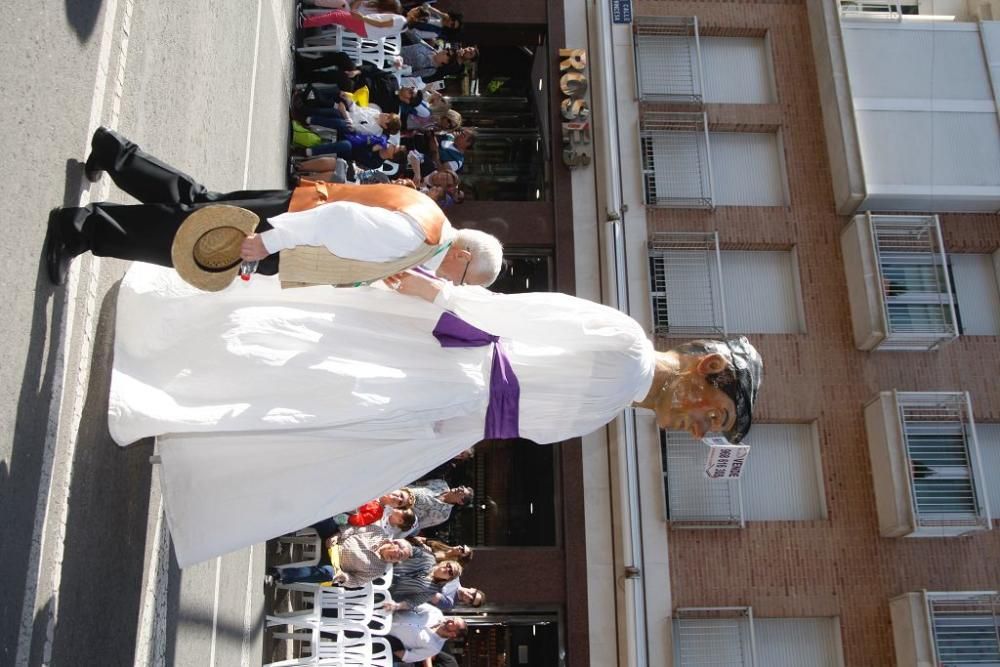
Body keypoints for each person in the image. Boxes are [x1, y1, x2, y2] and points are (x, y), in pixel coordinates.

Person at [107, 260, 762, 566]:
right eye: (714, 415)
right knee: (311, 381)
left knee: (312, 405)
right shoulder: (623, 352)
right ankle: (173, 371)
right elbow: (517, 321)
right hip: (440, 379)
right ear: (705, 369)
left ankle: (177, 399)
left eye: (712, 431)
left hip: (446, 409)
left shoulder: (620, 392)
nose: (699, 430)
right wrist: (436, 296)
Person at [45, 127, 502, 288]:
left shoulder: (431, 224)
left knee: (200, 207)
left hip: (297, 211)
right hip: (293, 226)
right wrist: (268, 242)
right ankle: (84, 229)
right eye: (464, 279)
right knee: (187, 238)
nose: (455, 284)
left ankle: (115, 154)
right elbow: (339, 221)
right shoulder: (418, 238)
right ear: (461, 257)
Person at [269, 526, 412, 587]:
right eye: (399, 554)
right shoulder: (378, 532)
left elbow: (356, 581)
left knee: (328, 574)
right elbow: (354, 529)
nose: (396, 558)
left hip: (335, 563)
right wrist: (337, 535)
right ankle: (287, 527)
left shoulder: (379, 569)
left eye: (400, 559)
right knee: (326, 521)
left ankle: (279, 574)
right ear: (394, 544)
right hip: (335, 540)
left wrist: (343, 576)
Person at [388, 604, 465, 663]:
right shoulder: (436, 613)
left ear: (453, 634)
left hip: (385, 638)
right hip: (388, 614)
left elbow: (406, 656)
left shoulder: (434, 648)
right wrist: (396, 606)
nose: (450, 619)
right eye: (453, 618)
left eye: (453, 622)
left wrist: (385, 645)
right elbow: (413, 604)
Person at [408, 481, 472, 530]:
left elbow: (416, 524)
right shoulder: (441, 483)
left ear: (460, 502)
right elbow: (418, 483)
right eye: (462, 487)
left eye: (462, 492)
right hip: (401, 487)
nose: (459, 488)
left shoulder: (443, 515)